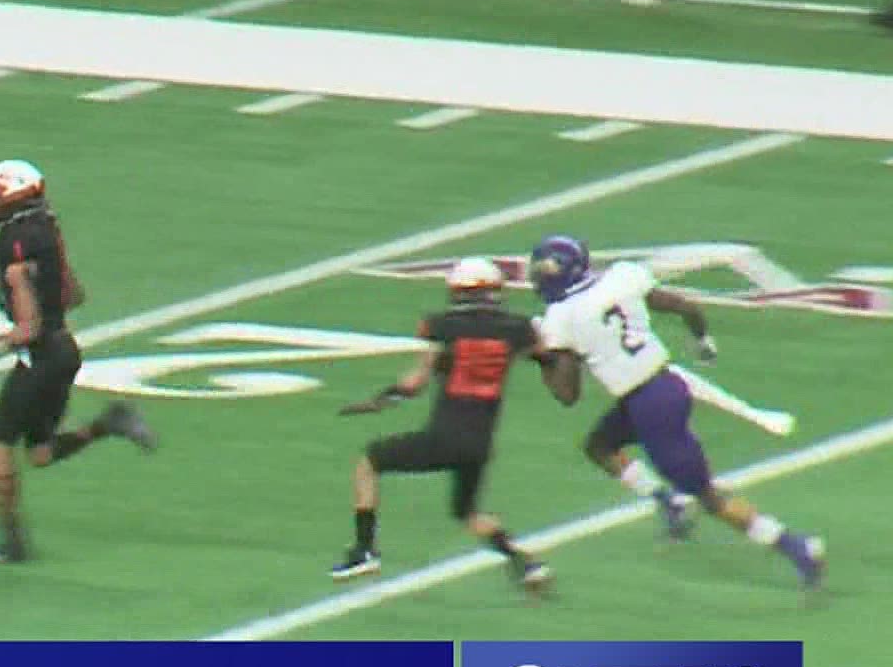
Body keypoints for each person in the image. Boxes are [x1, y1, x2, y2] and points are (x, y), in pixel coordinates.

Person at [530, 234, 827, 589]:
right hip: (666, 386)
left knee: (710, 498)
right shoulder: (622, 277)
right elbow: (686, 307)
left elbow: (567, 395)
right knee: (599, 446)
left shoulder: (561, 316)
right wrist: (703, 342)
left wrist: (542, 355)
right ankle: (667, 501)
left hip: (649, 406)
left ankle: (796, 546)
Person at [0, 160, 157, 564]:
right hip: (65, 350)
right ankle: (111, 422)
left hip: (42, 358)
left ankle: (12, 542)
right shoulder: (48, 226)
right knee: (41, 452)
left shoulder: (13, 241)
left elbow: (29, 327)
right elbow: (74, 293)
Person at [328, 258, 554, 594]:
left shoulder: (444, 326)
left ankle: (364, 550)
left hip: (445, 436)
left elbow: (415, 381)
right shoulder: (518, 329)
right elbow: (547, 355)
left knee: (369, 461)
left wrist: (380, 399)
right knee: (467, 511)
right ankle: (523, 562)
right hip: (480, 443)